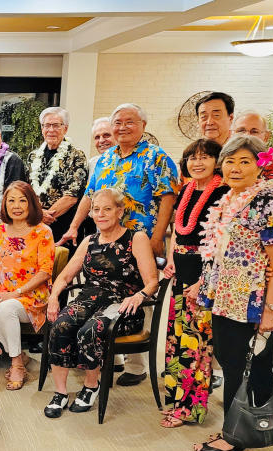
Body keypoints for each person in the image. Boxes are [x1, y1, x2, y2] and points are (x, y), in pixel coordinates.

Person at [59, 104, 179, 387]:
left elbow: (168, 198)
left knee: (140, 293)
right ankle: (107, 357)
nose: (122, 127)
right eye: (118, 122)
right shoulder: (103, 160)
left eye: (130, 122)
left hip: (140, 239)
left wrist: (157, 237)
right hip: (107, 242)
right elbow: (89, 196)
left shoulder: (156, 157)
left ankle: (136, 365)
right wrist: (74, 226)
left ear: (143, 124)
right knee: (105, 293)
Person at [190, 136, 273, 451]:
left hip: (248, 301)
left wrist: (270, 310)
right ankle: (241, 429)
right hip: (222, 296)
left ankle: (233, 438)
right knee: (231, 361)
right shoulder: (227, 198)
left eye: (245, 161)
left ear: (259, 166)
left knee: (240, 366)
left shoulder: (266, 203)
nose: (235, 167)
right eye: (230, 160)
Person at [43, 188, 159, 418]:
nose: (101, 214)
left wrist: (139, 295)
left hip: (123, 305)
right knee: (61, 325)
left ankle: (90, 386)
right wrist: (54, 297)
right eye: (96, 209)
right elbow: (64, 276)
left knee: (91, 330)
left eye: (107, 209)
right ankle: (61, 392)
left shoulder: (136, 238)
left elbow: (152, 281)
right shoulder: (89, 241)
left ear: (119, 211)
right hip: (89, 299)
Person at [160, 139, 228, 428]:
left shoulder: (224, 194)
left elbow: (222, 243)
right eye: (191, 158)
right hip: (181, 270)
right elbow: (178, 229)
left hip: (204, 277)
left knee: (195, 346)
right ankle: (177, 399)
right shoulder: (186, 190)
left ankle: (190, 408)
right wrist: (171, 257)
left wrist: (203, 280)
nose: (197, 163)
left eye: (204, 157)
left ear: (217, 161)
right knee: (176, 339)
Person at [0, 181, 54, 391]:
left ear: (31, 203)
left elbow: (45, 271)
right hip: (6, 293)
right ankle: (20, 357)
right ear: (4, 205)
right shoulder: (0, 231)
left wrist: (16, 293)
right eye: (11, 201)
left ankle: (15, 365)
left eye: (22, 200)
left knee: (5, 308)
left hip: (33, 295)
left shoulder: (43, 231)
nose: (17, 206)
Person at [28, 107, 88, 243]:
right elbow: (28, 190)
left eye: (56, 125)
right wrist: (38, 214)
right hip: (34, 223)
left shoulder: (76, 155)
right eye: (46, 125)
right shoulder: (33, 156)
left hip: (64, 226)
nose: (51, 130)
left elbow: (72, 196)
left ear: (65, 128)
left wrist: (45, 216)